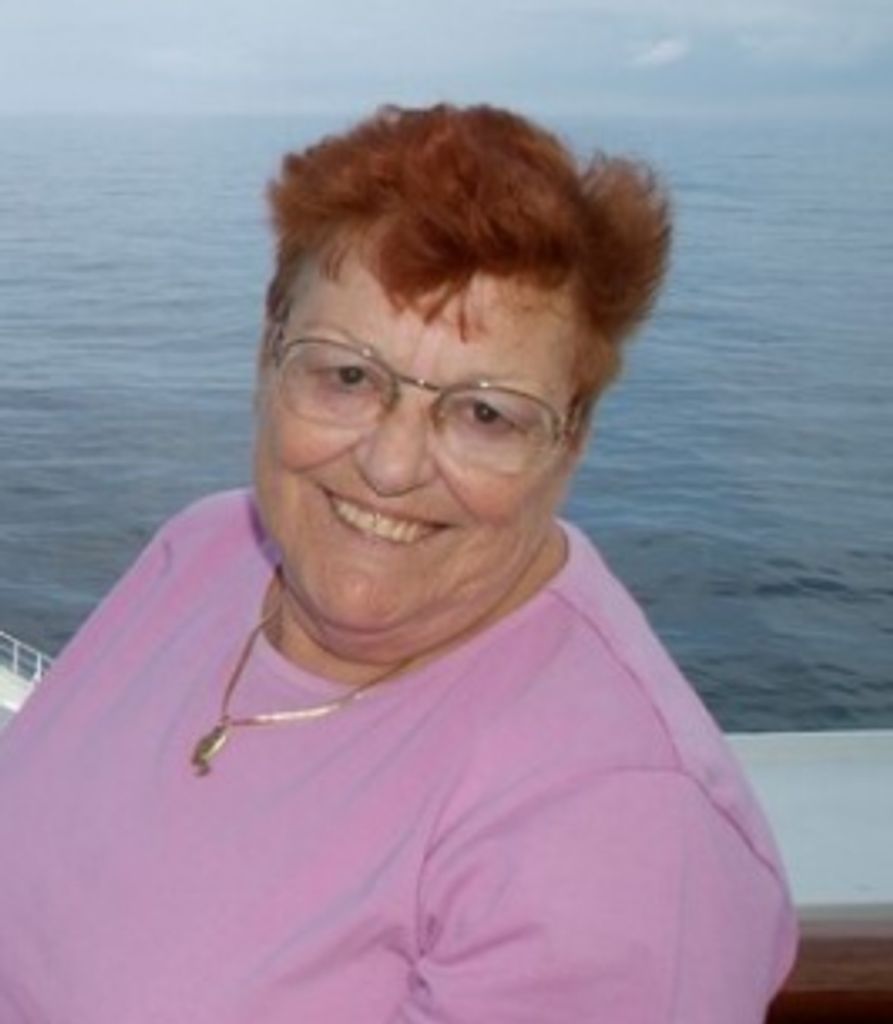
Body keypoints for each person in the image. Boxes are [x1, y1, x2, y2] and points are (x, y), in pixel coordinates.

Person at [0, 103, 796, 1022]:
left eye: (485, 414)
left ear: (570, 442)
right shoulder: (205, 553)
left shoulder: (621, 832)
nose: (389, 465)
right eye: (347, 375)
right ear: (267, 358)